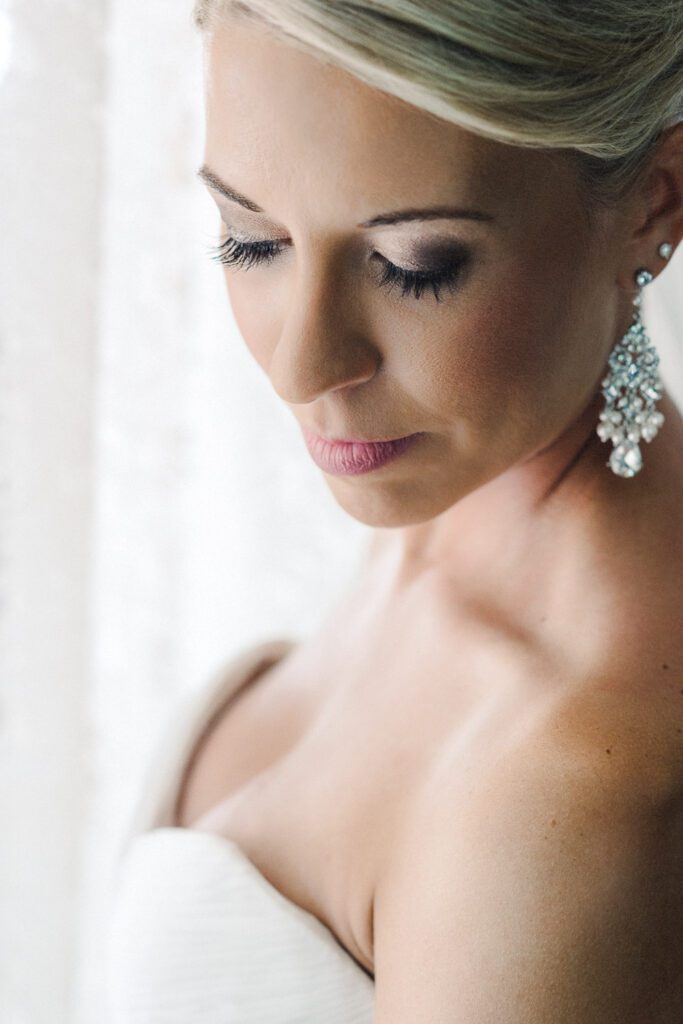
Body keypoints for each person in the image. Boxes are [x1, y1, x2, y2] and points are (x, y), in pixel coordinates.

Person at [105, 2, 683, 1021]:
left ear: (655, 200)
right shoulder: (456, 498)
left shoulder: (568, 788)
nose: (300, 365)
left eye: (415, 265)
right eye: (250, 242)